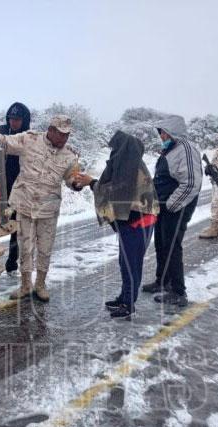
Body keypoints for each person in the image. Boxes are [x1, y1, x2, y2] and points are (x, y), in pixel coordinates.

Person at [0, 115, 80, 302]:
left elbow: (71, 177)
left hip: (48, 209)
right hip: (25, 205)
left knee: (45, 249)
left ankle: (40, 285)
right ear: (50, 130)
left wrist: (76, 183)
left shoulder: (69, 155)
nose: (64, 139)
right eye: (60, 134)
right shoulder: (30, 139)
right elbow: (5, 142)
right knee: (25, 248)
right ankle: (25, 285)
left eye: (67, 136)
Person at [72, 131, 159, 319]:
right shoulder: (130, 163)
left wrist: (91, 182)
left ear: (123, 149)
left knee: (131, 264)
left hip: (138, 221)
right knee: (125, 261)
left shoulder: (130, 167)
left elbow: (116, 191)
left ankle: (128, 304)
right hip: (134, 220)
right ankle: (124, 297)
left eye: (115, 148)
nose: (113, 152)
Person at [140, 116, 202, 307]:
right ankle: (162, 281)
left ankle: (178, 291)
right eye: (161, 133)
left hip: (177, 207)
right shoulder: (171, 149)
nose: (162, 136)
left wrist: (172, 205)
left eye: (164, 132)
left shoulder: (186, 149)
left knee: (172, 246)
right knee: (161, 243)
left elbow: (191, 182)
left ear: (173, 131)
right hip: (164, 207)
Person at [0, 102, 32, 274]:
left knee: (16, 225)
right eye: (10, 119)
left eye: (16, 120)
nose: (12, 123)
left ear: (24, 121)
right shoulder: (1, 132)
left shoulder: (28, 137)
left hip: (18, 187)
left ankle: (12, 260)